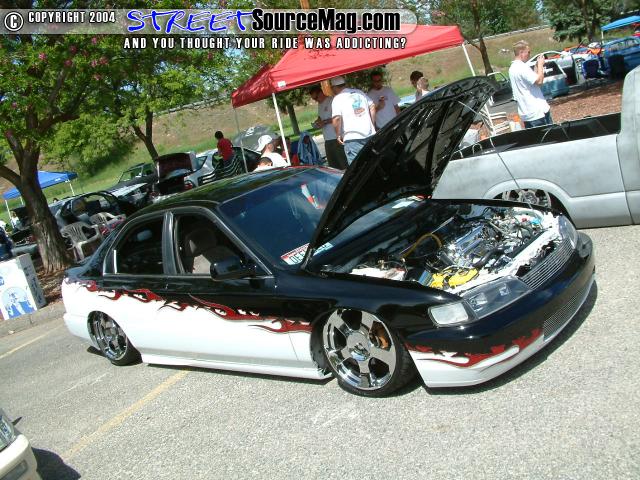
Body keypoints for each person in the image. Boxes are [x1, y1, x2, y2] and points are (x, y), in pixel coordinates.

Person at [330, 76, 376, 165]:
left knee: (357, 167)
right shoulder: (359, 92)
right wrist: (372, 125)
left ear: (334, 87)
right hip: (370, 134)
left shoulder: (337, 98)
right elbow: (372, 106)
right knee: (373, 164)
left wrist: (338, 135)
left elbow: (336, 118)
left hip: (352, 138)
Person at [508, 40, 552, 129]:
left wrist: (536, 66)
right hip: (537, 113)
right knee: (549, 136)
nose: (529, 55)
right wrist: (540, 65)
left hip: (526, 113)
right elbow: (539, 82)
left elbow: (533, 82)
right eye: (528, 52)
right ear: (521, 53)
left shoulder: (512, 68)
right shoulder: (522, 67)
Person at [309, 85, 348, 169]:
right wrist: (317, 122)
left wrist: (325, 122)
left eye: (316, 97)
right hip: (327, 139)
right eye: (314, 99)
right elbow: (321, 117)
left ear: (321, 93)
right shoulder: (320, 104)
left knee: (343, 163)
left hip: (336, 137)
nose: (316, 100)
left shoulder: (332, 101)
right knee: (333, 166)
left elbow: (338, 117)